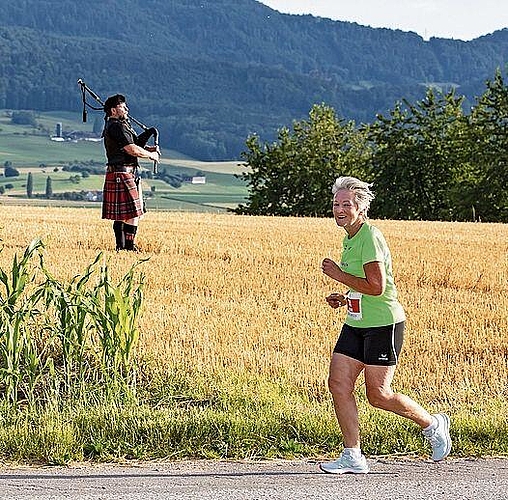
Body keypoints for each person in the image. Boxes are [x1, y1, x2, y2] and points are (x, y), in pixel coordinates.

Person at [319, 176, 451, 474]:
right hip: (356, 322)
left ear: (360, 208)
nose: (339, 209)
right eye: (336, 204)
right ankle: (352, 455)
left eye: (347, 204)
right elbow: (364, 285)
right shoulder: (350, 237)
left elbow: (377, 287)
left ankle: (432, 423)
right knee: (338, 384)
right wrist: (344, 297)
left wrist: (339, 275)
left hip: (383, 324)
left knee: (378, 395)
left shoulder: (370, 236)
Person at [101, 94, 160, 251]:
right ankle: (128, 247)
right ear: (113, 110)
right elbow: (131, 149)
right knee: (132, 213)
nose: (126, 109)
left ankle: (121, 247)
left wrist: (148, 144)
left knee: (123, 214)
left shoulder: (119, 125)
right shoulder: (116, 126)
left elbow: (134, 143)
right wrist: (151, 155)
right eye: (122, 106)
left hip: (122, 172)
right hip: (122, 172)